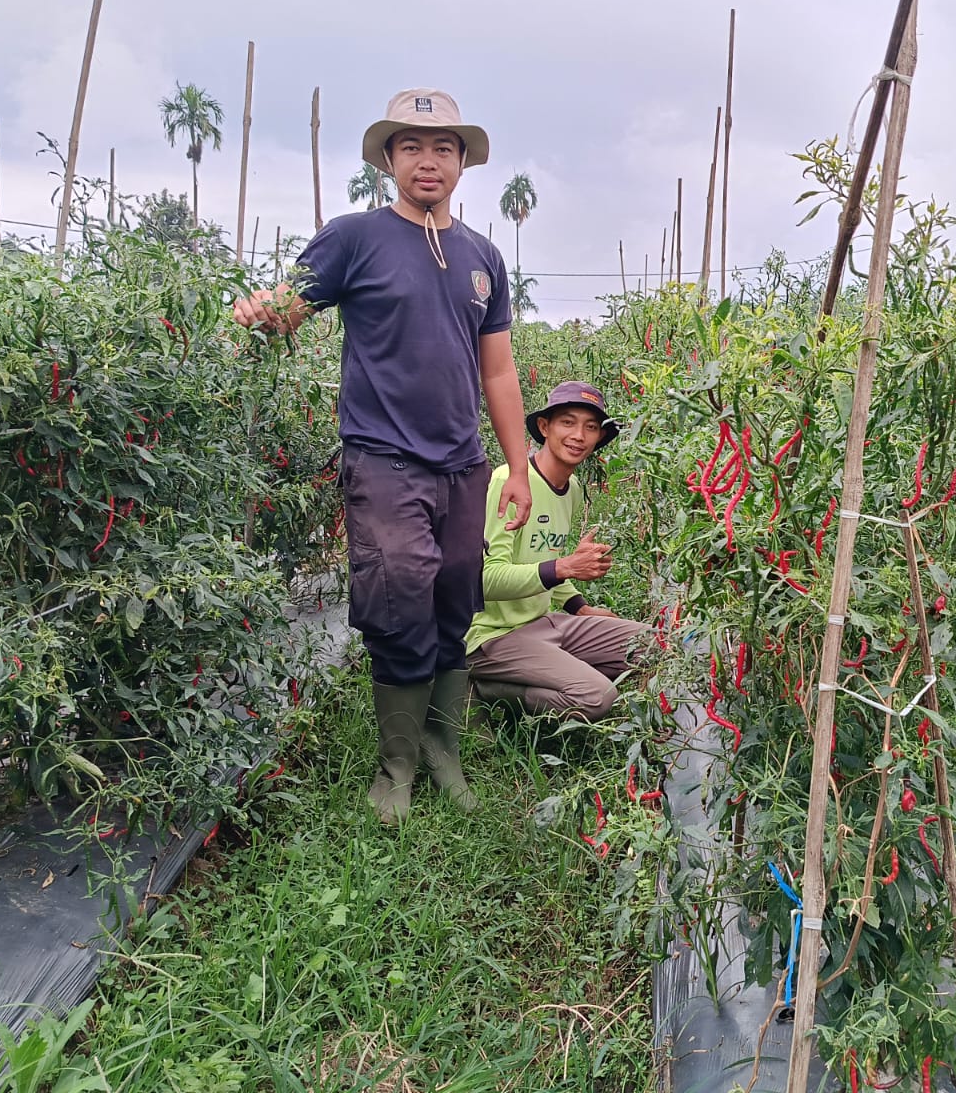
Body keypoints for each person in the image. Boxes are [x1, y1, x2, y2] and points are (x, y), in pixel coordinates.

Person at [232, 88, 532, 824]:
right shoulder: (355, 238)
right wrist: (257, 314)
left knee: (457, 595)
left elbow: (498, 370)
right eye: (411, 147)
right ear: (390, 160)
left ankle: (442, 746)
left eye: (442, 148)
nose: (427, 161)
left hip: (461, 464)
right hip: (383, 456)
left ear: (462, 163)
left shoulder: (482, 258)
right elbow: (289, 308)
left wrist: (517, 465)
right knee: (399, 592)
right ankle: (395, 763)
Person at [466, 382, 650, 721]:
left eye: (591, 427)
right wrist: (565, 567)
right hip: (492, 637)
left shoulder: (572, 489)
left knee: (653, 644)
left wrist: (579, 607)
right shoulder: (509, 481)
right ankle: (488, 691)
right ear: (544, 427)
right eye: (567, 422)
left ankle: (556, 669)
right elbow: (483, 581)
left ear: (599, 438)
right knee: (598, 697)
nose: (579, 435)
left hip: (543, 623)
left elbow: (544, 557)